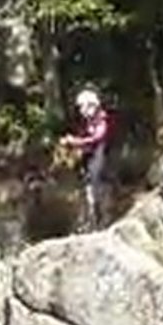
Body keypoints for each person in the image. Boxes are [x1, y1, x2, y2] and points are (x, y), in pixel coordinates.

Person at [60, 88, 111, 231]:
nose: (81, 110)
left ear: (92, 105)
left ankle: (102, 223)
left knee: (97, 189)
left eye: (83, 106)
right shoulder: (89, 122)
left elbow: (97, 138)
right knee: (89, 191)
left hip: (101, 160)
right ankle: (92, 223)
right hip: (91, 161)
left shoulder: (101, 119)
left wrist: (75, 142)